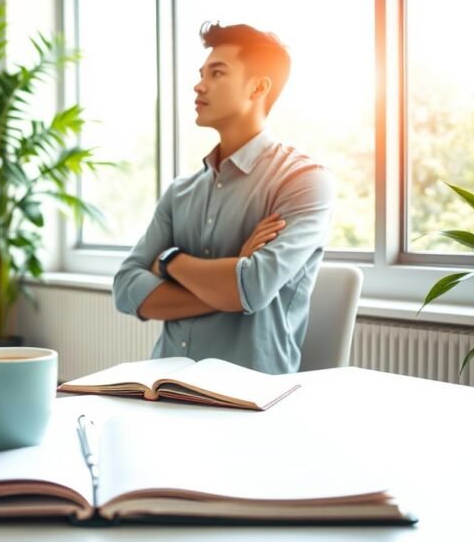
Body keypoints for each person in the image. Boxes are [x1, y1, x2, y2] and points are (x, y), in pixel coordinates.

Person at [112, 22, 336, 374]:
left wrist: (169, 261)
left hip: (247, 394)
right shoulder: (180, 191)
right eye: (201, 74)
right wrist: (228, 281)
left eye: (217, 73)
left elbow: (251, 288)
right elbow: (125, 288)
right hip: (162, 384)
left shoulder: (304, 181)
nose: (199, 85)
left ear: (258, 87)